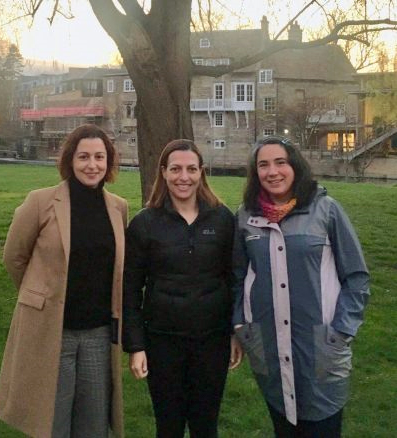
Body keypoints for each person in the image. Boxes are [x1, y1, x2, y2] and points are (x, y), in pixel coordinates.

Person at [0, 124, 127, 438]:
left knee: (94, 425)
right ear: (70, 160)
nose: (92, 165)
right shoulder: (40, 202)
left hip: (98, 332)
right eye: (84, 157)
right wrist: (39, 295)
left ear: (108, 162)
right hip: (53, 331)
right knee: (52, 422)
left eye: (99, 157)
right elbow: (14, 257)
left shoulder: (118, 208)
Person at [232, 135, 370, 438]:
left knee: (322, 426)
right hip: (267, 345)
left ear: (295, 166)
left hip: (320, 346)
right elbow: (237, 276)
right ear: (255, 173)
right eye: (263, 165)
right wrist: (240, 325)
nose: (273, 172)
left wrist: (342, 330)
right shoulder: (245, 217)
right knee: (284, 426)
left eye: (280, 162)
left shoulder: (326, 210)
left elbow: (356, 277)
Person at [123, 139, 242, 438]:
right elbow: (130, 288)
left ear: (202, 172)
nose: (183, 177)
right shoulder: (145, 224)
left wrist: (234, 333)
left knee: (206, 425)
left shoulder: (223, 219)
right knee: (169, 425)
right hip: (163, 342)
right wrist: (136, 346)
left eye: (191, 169)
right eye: (175, 169)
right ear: (163, 172)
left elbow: (234, 280)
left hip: (211, 341)